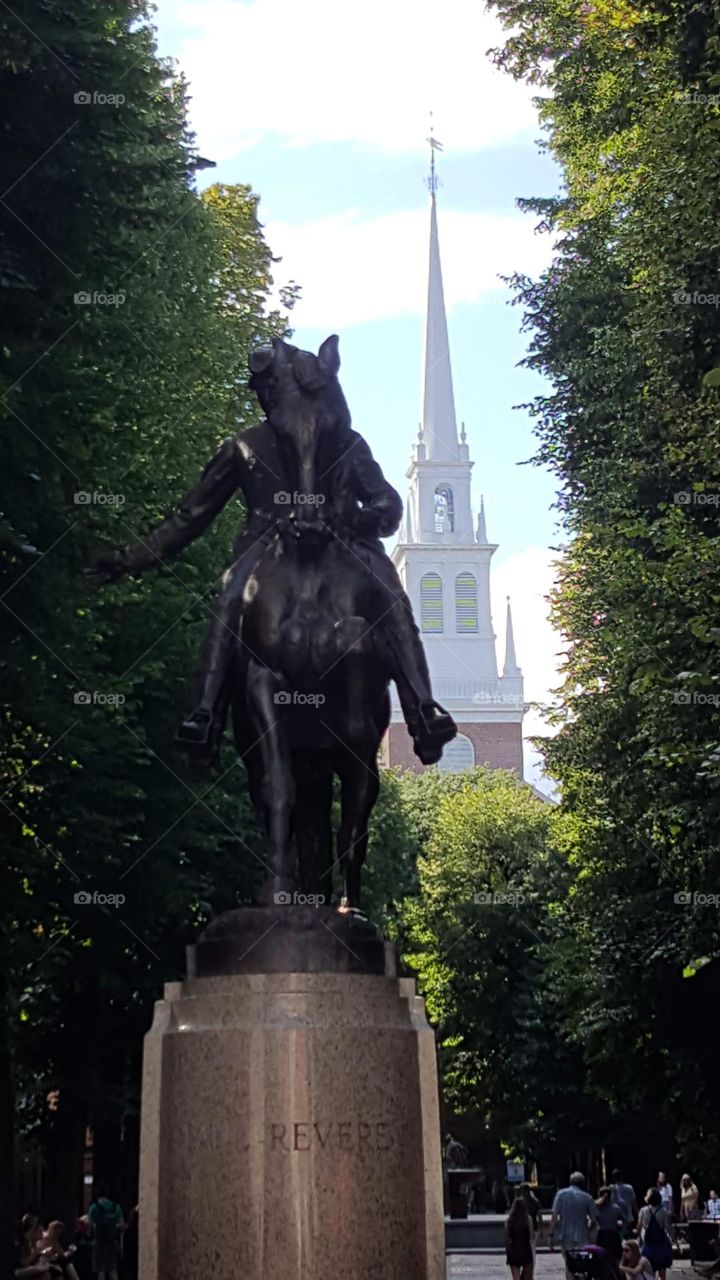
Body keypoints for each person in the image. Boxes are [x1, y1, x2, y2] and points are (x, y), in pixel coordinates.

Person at [90, 337, 456, 767]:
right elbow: (190, 519)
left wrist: (355, 520)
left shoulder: (344, 442)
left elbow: (388, 505)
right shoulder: (242, 447)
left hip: (341, 543)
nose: (267, 396)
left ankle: (422, 710)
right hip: (265, 547)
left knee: (391, 597)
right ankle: (205, 713)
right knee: (231, 599)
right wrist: (127, 559)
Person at [550, 1172, 599, 1279]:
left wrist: (551, 1234)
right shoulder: (587, 1197)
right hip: (583, 1236)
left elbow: (554, 1216)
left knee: (569, 1264)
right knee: (582, 1264)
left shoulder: (561, 1194)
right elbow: (594, 1219)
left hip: (565, 1235)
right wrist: (590, 1231)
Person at [87, 1191, 123, 1280]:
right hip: (112, 1242)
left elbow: (89, 1225)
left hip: (99, 1243)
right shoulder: (116, 1207)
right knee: (113, 1270)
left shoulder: (94, 1207)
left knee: (101, 1271)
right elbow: (121, 1225)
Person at [638, 1187, 673, 1279]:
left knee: (648, 1272)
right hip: (661, 1244)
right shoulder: (663, 1212)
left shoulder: (643, 1211)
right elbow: (669, 1229)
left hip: (648, 1245)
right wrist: (674, 1241)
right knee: (662, 1271)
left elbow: (639, 1227)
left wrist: (639, 1241)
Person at [505, 1195, 534, 1280]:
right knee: (527, 1276)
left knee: (516, 1277)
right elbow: (531, 1236)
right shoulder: (528, 1219)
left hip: (514, 1249)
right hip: (526, 1249)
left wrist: (508, 1251)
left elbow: (506, 1239)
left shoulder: (509, 1221)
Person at [596, 1186, 626, 1262]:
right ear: (611, 1196)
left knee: (601, 1258)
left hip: (601, 1235)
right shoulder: (616, 1208)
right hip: (613, 1235)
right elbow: (624, 1220)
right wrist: (619, 1226)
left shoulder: (597, 1208)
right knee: (615, 1257)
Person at [612, 1169, 639, 1236]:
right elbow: (634, 1202)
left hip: (616, 1217)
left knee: (618, 1236)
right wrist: (638, 1213)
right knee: (630, 1236)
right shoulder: (629, 1187)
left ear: (613, 1178)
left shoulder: (612, 1188)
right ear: (622, 1177)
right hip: (628, 1216)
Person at [518, 1182, 544, 1248]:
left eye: (522, 1190)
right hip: (526, 1228)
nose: (521, 1192)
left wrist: (541, 1230)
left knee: (529, 1247)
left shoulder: (533, 1202)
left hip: (531, 1228)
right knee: (530, 1248)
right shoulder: (535, 1201)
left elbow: (540, 1217)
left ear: (526, 1191)